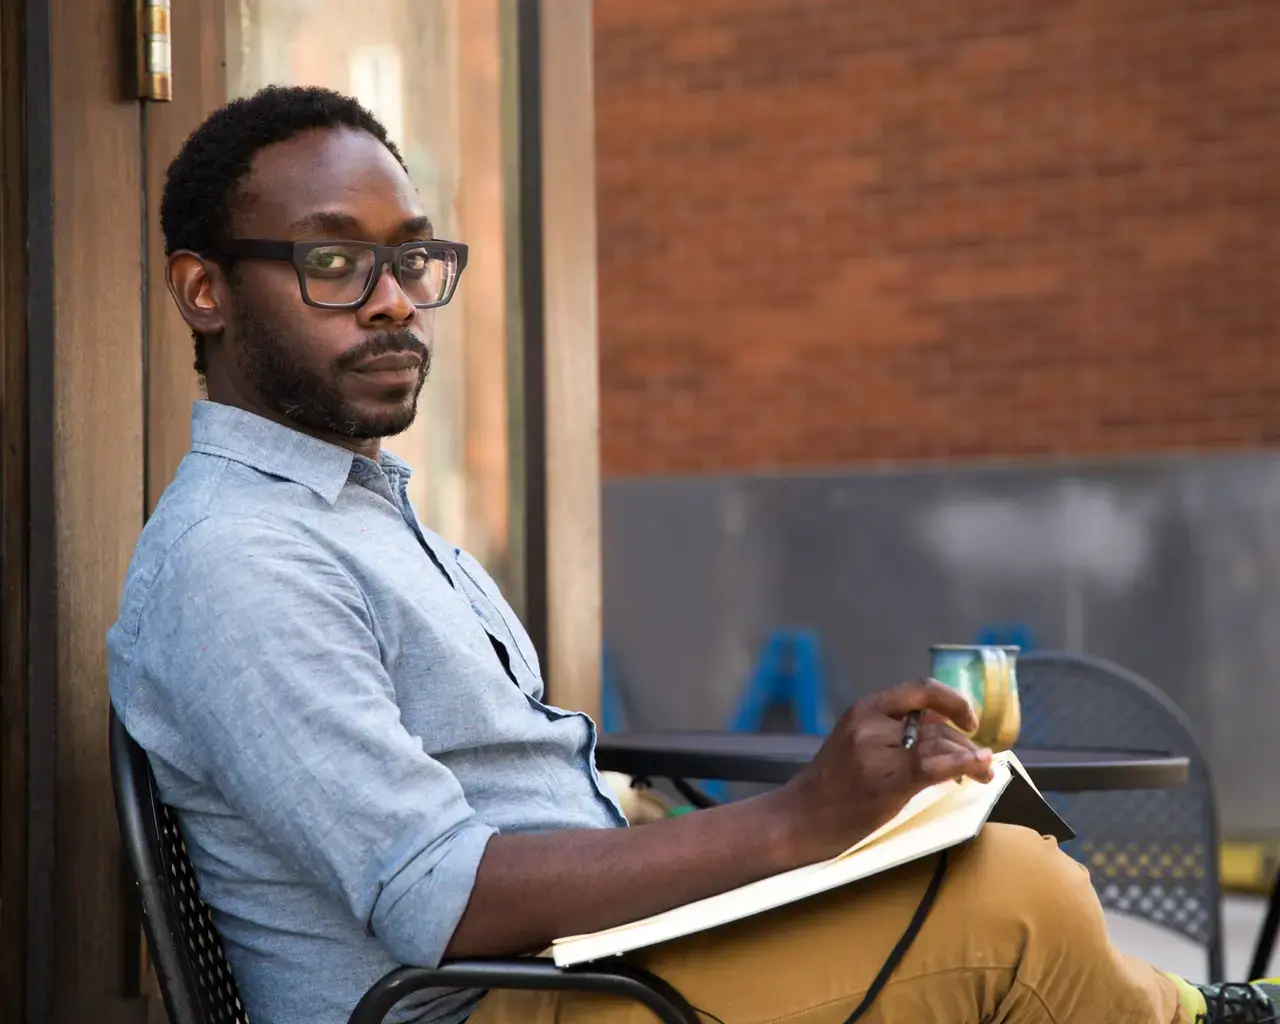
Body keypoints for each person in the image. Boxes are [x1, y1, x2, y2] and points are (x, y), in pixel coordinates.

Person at [107, 84, 1276, 1024]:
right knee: (1005, 905)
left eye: (410, 258)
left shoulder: (357, 515)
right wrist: (792, 820)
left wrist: (797, 825)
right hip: (505, 1000)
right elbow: (438, 897)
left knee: (985, 872)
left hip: (582, 969)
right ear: (203, 290)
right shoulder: (240, 562)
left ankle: (1190, 1009)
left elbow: (509, 805)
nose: (393, 302)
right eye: (331, 262)